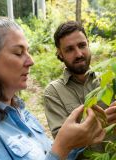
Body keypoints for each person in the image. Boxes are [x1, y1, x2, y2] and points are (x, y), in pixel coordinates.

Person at [0, 17, 105, 160]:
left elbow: (47, 154)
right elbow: (57, 153)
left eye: (28, 51)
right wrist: (62, 147)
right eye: (19, 53)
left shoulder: (20, 112)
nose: (31, 61)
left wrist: (80, 138)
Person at [44, 21, 116, 159]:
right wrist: (98, 123)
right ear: (60, 54)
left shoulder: (109, 81)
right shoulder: (53, 92)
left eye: (82, 45)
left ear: (88, 44)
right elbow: (65, 144)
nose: (78, 54)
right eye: (69, 49)